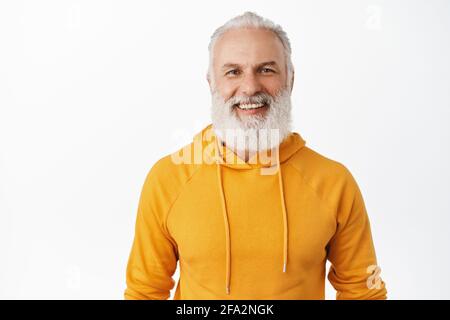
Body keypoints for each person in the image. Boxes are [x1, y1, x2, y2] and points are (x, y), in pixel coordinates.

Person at [124, 11, 387, 300]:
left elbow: (363, 290)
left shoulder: (334, 182)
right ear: (211, 82)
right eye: (233, 71)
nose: (250, 87)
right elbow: (144, 292)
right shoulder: (168, 178)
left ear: (290, 79)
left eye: (266, 69)